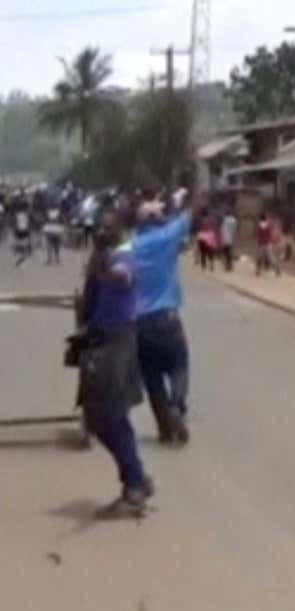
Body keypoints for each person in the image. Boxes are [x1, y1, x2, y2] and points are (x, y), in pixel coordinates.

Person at [76, 210, 155, 516]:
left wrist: (113, 271)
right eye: (100, 226)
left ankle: (134, 484)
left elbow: (125, 272)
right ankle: (136, 478)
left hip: (116, 342)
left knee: (108, 415)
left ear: (120, 230)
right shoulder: (101, 256)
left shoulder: (121, 256)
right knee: (105, 417)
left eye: (108, 226)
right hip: (101, 341)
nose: (102, 230)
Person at [132, 199, 194, 445]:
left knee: (152, 377)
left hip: (139, 325)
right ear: (157, 219)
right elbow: (189, 214)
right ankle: (176, 407)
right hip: (167, 319)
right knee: (179, 366)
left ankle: (165, 429)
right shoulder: (167, 237)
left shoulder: (130, 246)